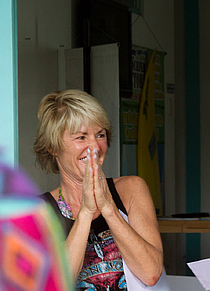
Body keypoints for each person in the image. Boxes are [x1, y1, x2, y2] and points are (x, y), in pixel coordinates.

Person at [34, 89, 163, 290]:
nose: (95, 146)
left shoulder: (131, 189)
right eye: (81, 137)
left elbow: (151, 273)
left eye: (100, 134)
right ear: (53, 147)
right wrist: (86, 212)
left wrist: (109, 208)